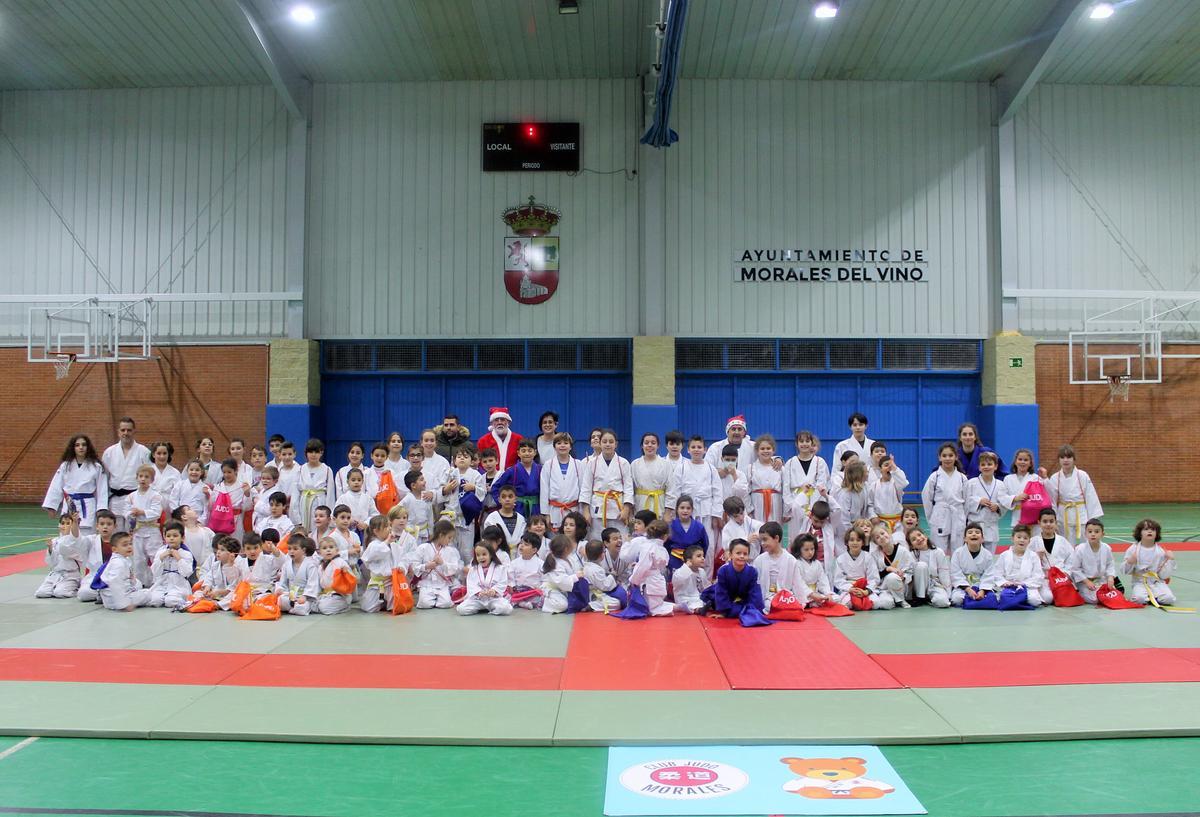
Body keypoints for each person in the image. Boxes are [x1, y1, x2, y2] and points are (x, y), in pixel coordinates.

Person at [667, 436, 723, 557]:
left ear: (705, 450)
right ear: (688, 450)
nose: (696, 450)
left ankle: (706, 575)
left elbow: (717, 492)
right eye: (693, 447)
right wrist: (674, 511)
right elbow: (675, 491)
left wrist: (716, 515)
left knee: (709, 544)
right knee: (687, 543)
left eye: (699, 447)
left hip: (706, 510)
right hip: (687, 511)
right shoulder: (681, 467)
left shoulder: (711, 468)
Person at [44, 435, 109, 534]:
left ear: (88, 447)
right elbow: (56, 486)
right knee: (67, 535)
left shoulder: (96, 467)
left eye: (84, 445)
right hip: (70, 504)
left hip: (87, 505)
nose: (81, 447)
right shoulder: (65, 466)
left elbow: (102, 489)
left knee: (87, 537)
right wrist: (52, 506)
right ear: (73, 448)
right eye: (77, 445)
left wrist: (101, 508)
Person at [701, 539, 771, 626]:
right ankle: (716, 607)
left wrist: (755, 611)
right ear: (730, 555)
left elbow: (755, 593)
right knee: (713, 594)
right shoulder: (723, 570)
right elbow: (721, 592)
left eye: (745, 554)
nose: (742, 556)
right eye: (738, 553)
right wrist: (723, 612)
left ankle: (737, 610)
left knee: (751, 609)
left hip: (743, 597)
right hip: (727, 596)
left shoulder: (752, 571)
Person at [580, 429, 634, 539]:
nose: (608, 444)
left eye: (611, 441)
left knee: (619, 540)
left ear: (616, 444)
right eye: (604, 441)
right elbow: (586, 488)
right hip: (598, 508)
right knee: (597, 541)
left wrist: (626, 510)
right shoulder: (592, 463)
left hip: (618, 510)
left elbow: (628, 488)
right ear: (600, 443)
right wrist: (586, 512)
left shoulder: (623, 463)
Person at [1046, 444, 1103, 546]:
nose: (1065, 460)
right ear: (1059, 460)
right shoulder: (1055, 478)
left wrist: (1093, 518)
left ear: (1074, 459)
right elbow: (1052, 501)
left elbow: (1090, 496)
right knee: (1066, 545)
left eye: (1068, 457)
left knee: (1086, 543)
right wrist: (1053, 520)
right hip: (1063, 514)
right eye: (1062, 457)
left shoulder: (1082, 475)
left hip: (1081, 513)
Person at [984, 524, 1048, 606]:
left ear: (1029, 541)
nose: (1022, 540)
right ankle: (1017, 600)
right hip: (1007, 586)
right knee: (999, 598)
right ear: (1012, 538)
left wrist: (1023, 584)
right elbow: (997, 573)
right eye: (1019, 537)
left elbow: (1038, 575)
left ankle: (1017, 600)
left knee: (1034, 601)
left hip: (1026, 586)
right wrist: (1005, 582)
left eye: (1025, 538)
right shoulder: (1004, 555)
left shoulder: (1033, 556)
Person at [921, 442, 968, 554]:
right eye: (944, 456)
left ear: (956, 457)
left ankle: (956, 571)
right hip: (939, 515)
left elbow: (967, 501)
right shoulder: (935, 477)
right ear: (939, 457)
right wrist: (931, 517)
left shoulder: (962, 477)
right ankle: (938, 571)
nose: (947, 458)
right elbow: (926, 498)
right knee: (938, 550)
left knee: (958, 551)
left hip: (957, 515)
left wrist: (963, 516)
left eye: (951, 455)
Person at [442, 448, 486, 562]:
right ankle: (451, 576)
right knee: (449, 548)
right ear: (454, 461)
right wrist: (446, 489)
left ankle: (467, 575)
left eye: (466, 457)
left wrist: (474, 488)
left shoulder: (475, 475)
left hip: (467, 518)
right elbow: (440, 491)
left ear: (472, 461)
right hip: (450, 516)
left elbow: (483, 493)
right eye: (459, 456)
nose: (462, 458)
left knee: (466, 550)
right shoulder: (449, 473)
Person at [1123, 518, 1177, 606]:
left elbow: (1164, 575)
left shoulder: (1161, 551)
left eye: (1153, 529)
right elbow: (1124, 571)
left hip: (1157, 582)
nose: (1150, 531)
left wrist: (1170, 560)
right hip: (1140, 582)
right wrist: (1130, 562)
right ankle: (1148, 597)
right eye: (1146, 529)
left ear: (1157, 534)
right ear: (1140, 533)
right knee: (1138, 599)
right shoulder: (1133, 549)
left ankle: (1153, 596)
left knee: (1169, 599)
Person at [625, 519, 673, 617]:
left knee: (651, 609)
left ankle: (672, 608)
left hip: (649, 583)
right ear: (665, 536)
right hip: (657, 580)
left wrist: (634, 581)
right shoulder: (662, 549)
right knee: (657, 604)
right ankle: (677, 607)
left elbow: (642, 567)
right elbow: (663, 565)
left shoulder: (648, 547)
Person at [834, 528, 891, 610]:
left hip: (865, 588)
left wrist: (866, 591)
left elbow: (874, 578)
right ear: (846, 542)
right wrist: (851, 589)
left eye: (858, 540)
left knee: (878, 604)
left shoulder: (868, 557)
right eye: (851, 540)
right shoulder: (841, 559)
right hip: (849, 589)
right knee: (846, 604)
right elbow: (838, 580)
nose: (855, 543)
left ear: (863, 542)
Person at [964, 451, 1010, 552]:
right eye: (983, 464)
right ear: (979, 467)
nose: (986, 467)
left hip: (991, 526)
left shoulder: (1000, 484)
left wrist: (998, 507)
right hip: (974, 526)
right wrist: (978, 501)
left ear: (996, 466)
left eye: (989, 464)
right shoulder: (971, 483)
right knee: (973, 555)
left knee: (989, 558)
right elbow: (965, 502)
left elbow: (1005, 503)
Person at [126, 464, 164, 586]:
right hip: (138, 531)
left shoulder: (156, 495)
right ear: (136, 478)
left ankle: (158, 582)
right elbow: (126, 511)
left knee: (155, 557)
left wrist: (141, 512)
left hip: (152, 530)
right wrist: (131, 514)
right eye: (140, 476)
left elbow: (156, 512)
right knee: (138, 559)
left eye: (146, 477)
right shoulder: (131, 496)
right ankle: (140, 583)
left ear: (152, 480)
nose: (143, 479)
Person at [753, 522, 803, 611]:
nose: (762, 543)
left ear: (776, 538)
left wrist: (800, 603)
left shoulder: (790, 560)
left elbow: (797, 584)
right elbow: (755, 584)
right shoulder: (759, 560)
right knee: (768, 604)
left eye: (765, 539)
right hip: (766, 598)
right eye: (761, 540)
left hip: (785, 598)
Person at [414, 520, 462, 609]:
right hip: (427, 582)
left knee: (446, 603)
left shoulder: (450, 551)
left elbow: (454, 568)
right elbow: (414, 566)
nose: (450, 541)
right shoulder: (423, 548)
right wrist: (426, 566)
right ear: (441, 535)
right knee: (425, 604)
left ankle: (444, 595)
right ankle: (428, 597)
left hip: (442, 583)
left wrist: (442, 563)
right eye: (449, 537)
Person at [97, 532, 150, 611]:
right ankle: (124, 603)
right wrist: (124, 605)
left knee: (138, 583)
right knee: (148, 594)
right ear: (115, 549)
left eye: (130, 544)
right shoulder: (118, 563)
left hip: (117, 593)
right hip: (114, 599)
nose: (129, 547)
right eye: (125, 545)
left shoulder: (124, 559)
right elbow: (115, 583)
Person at [540, 432, 583, 530]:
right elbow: (544, 491)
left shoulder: (578, 464)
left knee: (572, 538)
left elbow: (582, 490)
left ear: (571, 446)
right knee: (556, 541)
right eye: (559, 443)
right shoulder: (548, 465)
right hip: (554, 510)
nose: (562, 445)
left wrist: (581, 512)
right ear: (554, 447)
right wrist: (546, 514)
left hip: (573, 509)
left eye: (566, 443)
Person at [37, 512, 84, 599]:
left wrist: (74, 524)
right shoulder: (55, 541)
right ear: (59, 525)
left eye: (68, 523)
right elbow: (52, 563)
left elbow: (65, 549)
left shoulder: (76, 541)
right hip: (55, 574)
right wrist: (50, 548)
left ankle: (77, 589)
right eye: (62, 523)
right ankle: (56, 586)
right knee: (41, 593)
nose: (64, 526)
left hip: (70, 575)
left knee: (59, 593)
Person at [458, 541, 513, 616]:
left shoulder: (500, 568)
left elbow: (502, 582)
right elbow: (471, 584)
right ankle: (479, 608)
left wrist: (494, 590)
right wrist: (478, 592)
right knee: (461, 609)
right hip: (478, 599)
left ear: (490, 554)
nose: (481, 557)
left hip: (493, 599)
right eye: (478, 555)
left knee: (507, 608)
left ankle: (491, 609)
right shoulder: (473, 569)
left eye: (484, 554)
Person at [1069, 519, 1117, 604]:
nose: (1093, 534)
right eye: (1090, 531)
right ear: (1085, 534)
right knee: (1096, 599)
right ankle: (1078, 592)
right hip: (1085, 582)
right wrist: (1087, 582)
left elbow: (1110, 565)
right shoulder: (1080, 549)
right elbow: (1075, 569)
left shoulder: (1106, 548)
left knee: (1114, 595)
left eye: (1097, 531)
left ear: (1103, 534)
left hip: (1101, 580)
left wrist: (1110, 577)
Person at [75, 509, 118, 603]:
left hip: (115, 575)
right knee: (83, 593)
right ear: (97, 526)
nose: (105, 527)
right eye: (102, 524)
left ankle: (104, 594)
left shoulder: (119, 541)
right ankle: (105, 594)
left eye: (109, 524)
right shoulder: (91, 540)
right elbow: (77, 540)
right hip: (95, 576)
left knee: (137, 585)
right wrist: (75, 524)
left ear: (115, 526)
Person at [148, 522, 194, 608]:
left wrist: (179, 558)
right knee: (155, 600)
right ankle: (162, 596)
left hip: (178, 584)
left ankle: (174, 598)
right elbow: (155, 572)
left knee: (171, 601)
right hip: (162, 582)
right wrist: (161, 558)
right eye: (168, 536)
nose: (171, 538)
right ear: (164, 537)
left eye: (175, 536)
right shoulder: (161, 551)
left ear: (182, 538)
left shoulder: (186, 553)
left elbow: (187, 573)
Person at [491, 439, 541, 517]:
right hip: (517, 508)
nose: (527, 453)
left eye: (530, 451)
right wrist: (503, 503)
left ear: (535, 452)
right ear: (518, 453)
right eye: (523, 451)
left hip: (536, 508)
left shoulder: (540, 469)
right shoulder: (511, 471)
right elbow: (495, 487)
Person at [869, 522, 912, 608]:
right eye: (877, 537)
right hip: (885, 588)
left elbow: (910, 569)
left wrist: (904, 576)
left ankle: (901, 600)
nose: (881, 537)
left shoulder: (903, 550)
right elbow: (875, 575)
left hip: (902, 585)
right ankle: (893, 600)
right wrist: (888, 569)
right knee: (886, 604)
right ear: (876, 543)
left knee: (893, 577)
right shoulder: (874, 555)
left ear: (888, 533)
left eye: (882, 533)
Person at [541, 533, 587, 614]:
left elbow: (577, 569)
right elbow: (561, 581)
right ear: (566, 549)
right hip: (553, 589)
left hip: (564, 589)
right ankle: (542, 601)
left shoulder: (570, 558)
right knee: (563, 605)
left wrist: (580, 572)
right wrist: (575, 576)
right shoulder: (556, 563)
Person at [296, 439, 335, 531]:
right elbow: (296, 493)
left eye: (316, 452)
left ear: (321, 453)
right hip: (304, 503)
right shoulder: (300, 469)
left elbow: (330, 494)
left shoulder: (327, 470)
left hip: (320, 501)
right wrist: (296, 516)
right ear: (306, 453)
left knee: (319, 529)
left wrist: (329, 513)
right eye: (310, 452)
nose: (313, 455)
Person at [950, 524, 994, 606]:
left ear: (982, 539)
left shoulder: (987, 555)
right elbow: (955, 573)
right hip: (964, 587)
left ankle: (976, 599)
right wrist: (968, 589)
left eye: (977, 532)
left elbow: (989, 575)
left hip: (981, 585)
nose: (974, 534)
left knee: (992, 598)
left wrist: (982, 590)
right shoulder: (958, 553)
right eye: (970, 532)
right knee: (957, 600)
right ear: (965, 539)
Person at [631, 432, 673, 519]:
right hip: (640, 504)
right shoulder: (635, 464)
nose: (649, 445)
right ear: (642, 446)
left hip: (659, 505)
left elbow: (671, 489)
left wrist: (668, 512)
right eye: (646, 443)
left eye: (653, 443)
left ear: (658, 446)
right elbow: (630, 489)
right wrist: (630, 510)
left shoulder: (666, 464)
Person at [906, 527, 950, 608]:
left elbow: (944, 573)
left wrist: (948, 593)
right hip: (917, 587)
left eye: (919, 535)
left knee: (943, 602)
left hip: (934, 584)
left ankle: (929, 598)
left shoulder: (938, 552)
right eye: (914, 539)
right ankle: (920, 598)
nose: (918, 539)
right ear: (912, 546)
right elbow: (908, 575)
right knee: (921, 565)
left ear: (925, 536)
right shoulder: (910, 555)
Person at [746, 435, 785, 525]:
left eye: (768, 448)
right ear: (757, 451)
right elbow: (746, 490)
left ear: (773, 450)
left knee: (774, 528)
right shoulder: (751, 468)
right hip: (757, 503)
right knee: (758, 528)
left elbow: (785, 489)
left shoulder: (780, 468)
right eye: (762, 449)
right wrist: (749, 508)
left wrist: (786, 510)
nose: (765, 451)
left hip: (775, 502)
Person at [360, 515, 396, 613]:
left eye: (389, 526)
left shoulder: (390, 542)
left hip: (391, 582)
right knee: (369, 608)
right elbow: (378, 552)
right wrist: (387, 542)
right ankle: (381, 602)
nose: (389, 529)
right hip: (378, 582)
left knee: (395, 607)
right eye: (386, 527)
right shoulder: (373, 545)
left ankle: (386, 603)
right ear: (376, 531)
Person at [668, 496, 710, 577]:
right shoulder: (671, 525)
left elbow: (705, 544)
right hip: (675, 558)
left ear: (692, 510)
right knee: (676, 581)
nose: (685, 511)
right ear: (677, 509)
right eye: (682, 508)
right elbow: (666, 544)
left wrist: (699, 556)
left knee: (694, 580)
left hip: (693, 559)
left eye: (688, 508)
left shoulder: (699, 526)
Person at [277, 535, 319, 616]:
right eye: (289, 549)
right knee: (280, 600)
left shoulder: (310, 564)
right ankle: (292, 606)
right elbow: (283, 583)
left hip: (305, 597)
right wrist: (281, 589)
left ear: (303, 550)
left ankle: (295, 607)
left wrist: (305, 597)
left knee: (301, 608)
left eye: (295, 549)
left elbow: (312, 584)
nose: (291, 551)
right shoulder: (286, 564)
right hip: (291, 595)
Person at [789, 534, 833, 607]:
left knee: (834, 598)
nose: (810, 552)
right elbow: (799, 583)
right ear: (799, 550)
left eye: (812, 549)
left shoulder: (817, 563)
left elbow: (823, 580)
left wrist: (827, 593)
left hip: (816, 593)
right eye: (806, 549)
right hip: (802, 594)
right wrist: (811, 594)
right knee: (799, 602)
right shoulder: (796, 563)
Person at [867, 453, 908, 533]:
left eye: (891, 466)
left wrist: (894, 468)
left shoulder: (897, 483)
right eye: (886, 465)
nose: (889, 468)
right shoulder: (874, 485)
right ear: (880, 469)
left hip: (897, 522)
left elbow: (904, 482)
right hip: (880, 521)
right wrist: (873, 516)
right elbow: (870, 504)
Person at [315, 536, 355, 615]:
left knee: (324, 607)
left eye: (331, 547)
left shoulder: (341, 562)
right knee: (312, 604)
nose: (328, 550)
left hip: (340, 595)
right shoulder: (320, 566)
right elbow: (317, 584)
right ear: (319, 552)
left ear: (337, 550)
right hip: (325, 594)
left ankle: (345, 606)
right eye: (324, 548)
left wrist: (345, 572)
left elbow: (352, 579)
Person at [583, 540, 623, 613]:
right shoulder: (596, 569)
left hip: (590, 593)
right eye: (604, 551)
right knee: (616, 603)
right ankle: (593, 605)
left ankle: (592, 604)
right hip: (596, 595)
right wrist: (612, 575)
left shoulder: (587, 566)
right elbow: (605, 586)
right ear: (601, 555)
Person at [483, 485, 527, 551]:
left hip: (518, 554)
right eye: (503, 497)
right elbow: (488, 539)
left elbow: (524, 538)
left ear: (515, 499)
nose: (507, 499)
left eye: (510, 496)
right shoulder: (492, 518)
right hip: (498, 553)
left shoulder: (521, 519)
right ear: (499, 500)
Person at [509, 533, 545, 609]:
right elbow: (511, 577)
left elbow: (544, 579)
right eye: (521, 543)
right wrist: (512, 586)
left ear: (534, 550)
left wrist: (540, 588)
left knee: (542, 597)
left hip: (533, 592)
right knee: (507, 596)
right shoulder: (514, 563)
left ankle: (524, 603)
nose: (521, 546)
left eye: (526, 544)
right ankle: (521, 602)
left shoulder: (540, 563)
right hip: (518, 591)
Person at [832, 413, 874, 477]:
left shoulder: (873, 445)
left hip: (870, 481)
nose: (858, 427)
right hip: (849, 481)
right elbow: (836, 469)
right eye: (855, 425)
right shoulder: (842, 446)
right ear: (850, 427)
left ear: (866, 426)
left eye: (861, 425)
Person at [672, 544, 710, 614]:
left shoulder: (702, 571)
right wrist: (686, 567)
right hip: (685, 598)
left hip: (699, 597)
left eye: (703, 556)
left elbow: (706, 587)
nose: (703, 558)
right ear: (689, 560)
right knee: (691, 605)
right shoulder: (680, 571)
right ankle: (698, 610)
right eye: (699, 556)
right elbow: (677, 582)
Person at [148, 442, 180, 515]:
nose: (162, 456)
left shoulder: (175, 473)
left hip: (169, 509)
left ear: (168, 455)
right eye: (159, 453)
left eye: (165, 453)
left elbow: (178, 494)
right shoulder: (147, 471)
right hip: (150, 508)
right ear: (153, 455)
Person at [274, 441, 301, 522]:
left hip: (296, 506)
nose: (287, 457)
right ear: (279, 455)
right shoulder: (278, 471)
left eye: (290, 454)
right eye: (284, 454)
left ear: (294, 454)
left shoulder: (300, 470)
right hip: (282, 506)